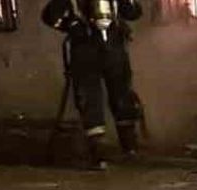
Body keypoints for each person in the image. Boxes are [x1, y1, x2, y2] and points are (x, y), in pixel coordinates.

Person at [42, 0, 143, 168]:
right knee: (90, 100)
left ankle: (130, 148)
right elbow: (49, 16)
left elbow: (133, 13)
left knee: (122, 97)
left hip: (114, 49)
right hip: (85, 51)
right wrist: (71, 25)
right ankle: (99, 152)